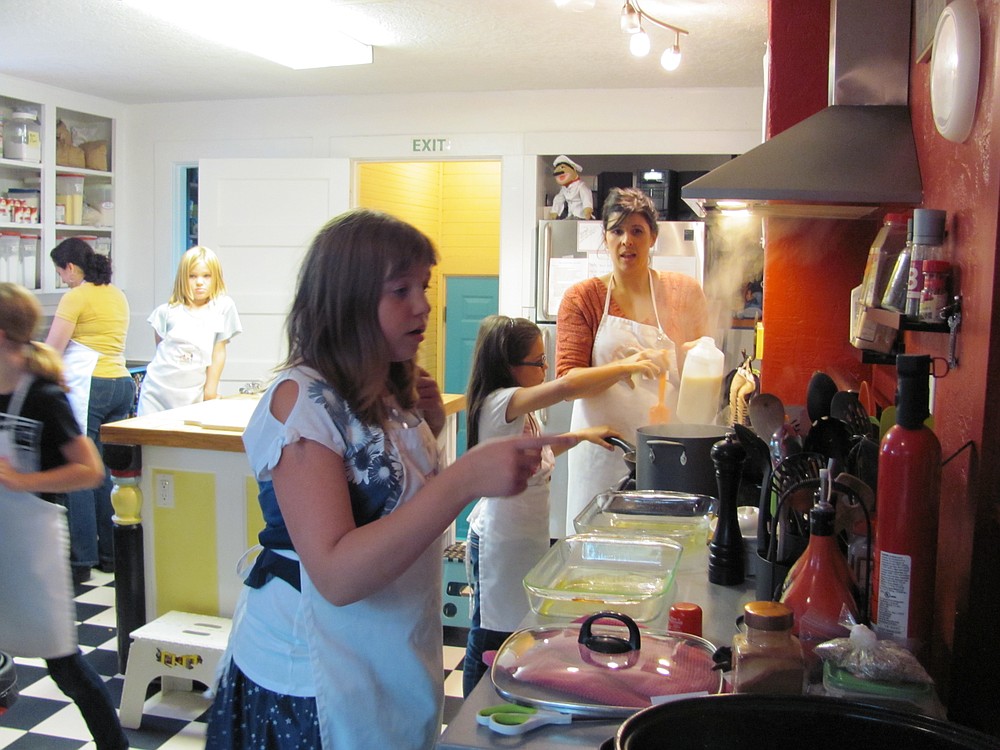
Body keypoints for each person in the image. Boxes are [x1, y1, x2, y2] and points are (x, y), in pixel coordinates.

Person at [204, 209, 573, 750]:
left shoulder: (390, 391)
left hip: (390, 653)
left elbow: (394, 504)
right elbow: (335, 573)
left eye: (422, 286)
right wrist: (464, 480)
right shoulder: (299, 399)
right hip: (313, 677)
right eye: (400, 290)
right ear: (347, 299)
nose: (423, 304)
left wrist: (430, 428)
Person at [461, 314, 654, 695]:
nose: (546, 369)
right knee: (488, 636)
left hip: (521, 540)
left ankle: (497, 698)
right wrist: (624, 367)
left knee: (510, 632)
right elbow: (567, 385)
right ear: (509, 366)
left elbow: (544, 451)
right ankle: (471, 716)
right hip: (499, 542)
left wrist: (582, 435)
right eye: (538, 362)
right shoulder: (501, 403)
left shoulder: (523, 412)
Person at [0, 282, 130, 750]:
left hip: (30, 549)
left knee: (66, 668)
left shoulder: (42, 397)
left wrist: (21, 481)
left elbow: (90, 470)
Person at [556, 187, 710, 528]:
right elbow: (567, 384)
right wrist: (626, 366)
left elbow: (704, 368)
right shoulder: (583, 298)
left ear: (653, 237)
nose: (627, 240)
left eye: (637, 231)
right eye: (617, 231)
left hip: (666, 452)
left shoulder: (684, 292)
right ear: (605, 238)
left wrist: (695, 357)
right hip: (603, 452)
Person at [45, 238, 135, 584]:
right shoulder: (116, 293)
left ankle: (81, 558)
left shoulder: (76, 296)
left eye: (60, 272)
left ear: (70, 267)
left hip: (90, 386)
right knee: (105, 472)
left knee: (79, 469)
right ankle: (111, 555)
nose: (62, 279)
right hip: (121, 385)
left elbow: (54, 348)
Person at [137, 245, 241, 415]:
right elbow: (161, 351)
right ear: (182, 278)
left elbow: (218, 351)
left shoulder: (222, 307)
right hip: (156, 393)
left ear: (216, 278)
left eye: (206, 276)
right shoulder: (166, 312)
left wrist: (210, 391)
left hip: (193, 394)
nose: (199, 282)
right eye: (192, 276)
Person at [549, 155, 594, 220]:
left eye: (562, 167)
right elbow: (558, 199)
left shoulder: (581, 186)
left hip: (582, 216)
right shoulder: (564, 189)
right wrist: (555, 211)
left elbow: (586, 198)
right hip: (571, 216)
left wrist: (587, 211)